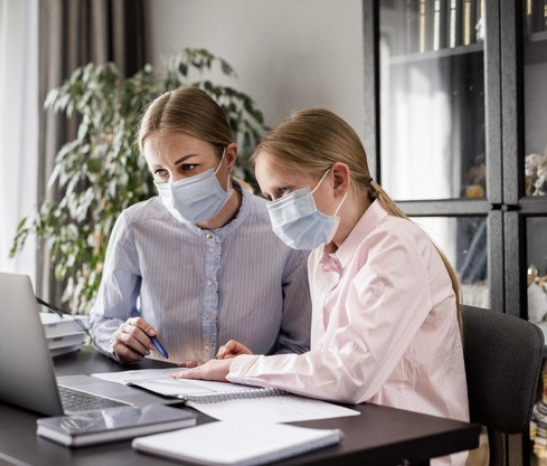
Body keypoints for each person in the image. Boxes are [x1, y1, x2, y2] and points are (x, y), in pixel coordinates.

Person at [174, 108, 469, 466]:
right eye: (270, 198)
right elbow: (331, 367)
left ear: (339, 180)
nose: (276, 211)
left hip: (409, 450)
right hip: (356, 433)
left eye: (284, 191)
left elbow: (349, 376)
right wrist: (258, 366)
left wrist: (243, 369)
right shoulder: (322, 254)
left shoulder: (395, 247)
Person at [89, 86, 311, 365]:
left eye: (188, 167)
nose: (175, 184)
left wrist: (251, 369)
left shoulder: (283, 230)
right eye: (160, 172)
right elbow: (103, 319)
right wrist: (118, 339)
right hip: (159, 396)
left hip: (252, 398)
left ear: (228, 158)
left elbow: (301, 345)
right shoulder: (135, 226)